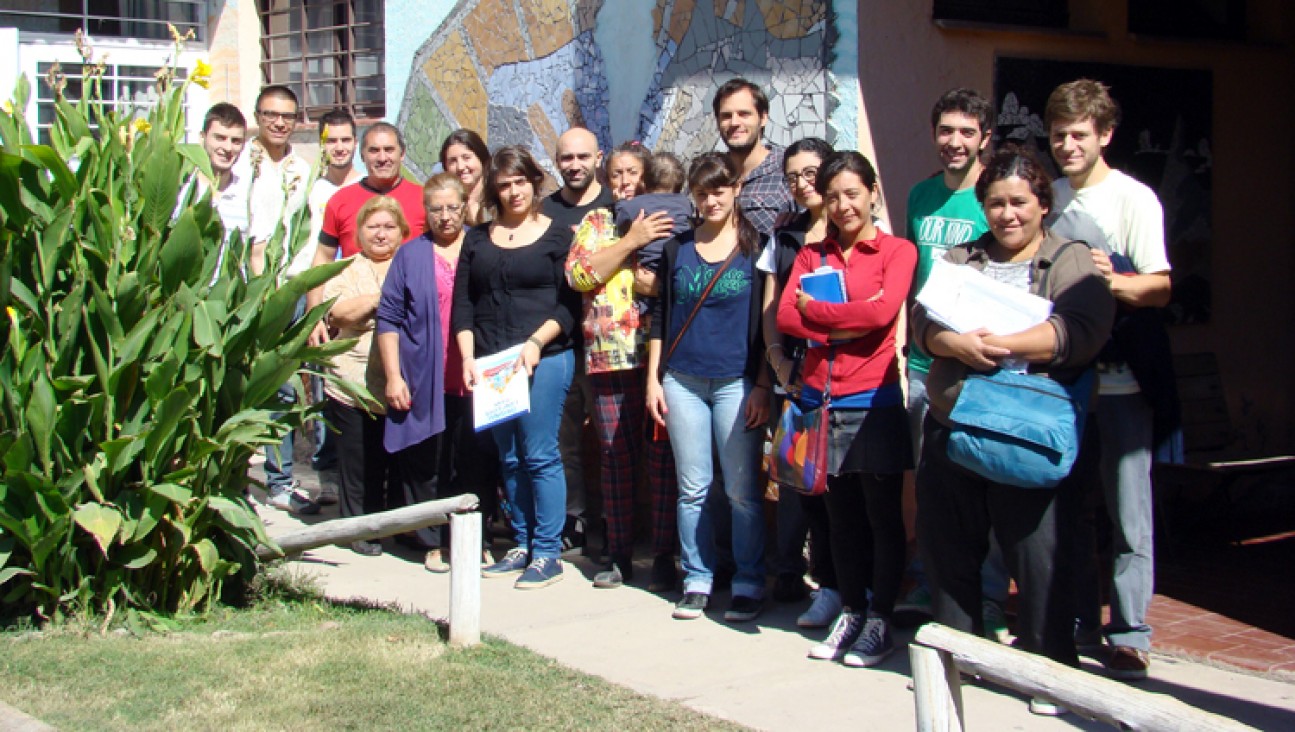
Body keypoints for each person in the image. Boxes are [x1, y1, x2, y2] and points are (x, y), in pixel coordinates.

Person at [912, 146, 1114, 715]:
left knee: (1040, 557)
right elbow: (925, 321)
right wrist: (957, 344)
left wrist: (1000, 343)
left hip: (1027, 436)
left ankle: (1049, 670)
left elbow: (1082, 330)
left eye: (1019, 202)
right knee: (950, 552)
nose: (1008, 214)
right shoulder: (961, 257)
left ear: (1042, 204)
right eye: (996, 203)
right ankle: (961, 656)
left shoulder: (1069, 261)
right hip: (955, 425)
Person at [1046, 79, 1172, 681]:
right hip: (1065, 380)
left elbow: (1161, 285)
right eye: (1058, 135)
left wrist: (1107, 280)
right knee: (1069, 511)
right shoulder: (1047, 196)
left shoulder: (1134, 199)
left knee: (1128, 514)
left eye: (1078, 134)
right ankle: (1077, 621)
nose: (1067, 145)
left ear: (1104, 135)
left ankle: (1130, 632)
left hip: (1122, 383)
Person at [776, 151, 917, 667]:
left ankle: (880, 618)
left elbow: (884, 312)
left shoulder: (897, 251)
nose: (842, 205)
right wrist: (842, 324)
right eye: (833, 195)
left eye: (852, 193)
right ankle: (852, 610)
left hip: (872, 400)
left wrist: (824, 317)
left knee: (882, 519)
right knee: (840, 521)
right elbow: (788, 316)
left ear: (873, 193)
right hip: (820, 402)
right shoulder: (813, 254)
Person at [901, 88, 1013, 643]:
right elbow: (913, 280)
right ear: (933, 134)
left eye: (968, 132)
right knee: (933, 485)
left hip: (984, 366)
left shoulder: (995, 200)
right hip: (926, 362)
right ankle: (930, 581)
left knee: (986, 483)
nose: (955, 142)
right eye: (947, 130)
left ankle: (989, 597)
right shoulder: (920, 196)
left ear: (985, 140)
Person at [647, 153, 772, 623]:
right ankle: (697, 579)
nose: (711, 199)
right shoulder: (677, 247)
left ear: (736, 189)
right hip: (682, 379)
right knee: (693, 487)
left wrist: (762, 383)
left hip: (736, 382)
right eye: (702, 192)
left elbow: (766, 323)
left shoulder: (756, 245)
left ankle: (748, 581)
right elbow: (660, 315)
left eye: (719, 189)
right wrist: (654, 379)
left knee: (741, 489)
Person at [453, 146, 581, 590]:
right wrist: (469, 357)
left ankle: (548, 552)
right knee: (508, 457)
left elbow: (569, 306)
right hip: (493, 362)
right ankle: (522, 543)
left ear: (534, 182)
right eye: (504, 185)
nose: (513, 191)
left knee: (540, 454)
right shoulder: (477, 238)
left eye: (519, 181)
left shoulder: (559, 235)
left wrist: (534, 342)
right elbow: (463, 304)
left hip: (543, 357)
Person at [565, 141, 679, 589]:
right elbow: (579, 275)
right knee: (615, 455)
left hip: (661, 356)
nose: (625, 181)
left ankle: (666, 555)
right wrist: (631, 242)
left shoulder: (668, 215)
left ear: (647, 177)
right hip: (610, 356)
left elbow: (674, 275)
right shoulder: (599, 221)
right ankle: (618, 554)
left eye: (633, 173)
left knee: (663, 457)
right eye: (616, 174)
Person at [378, 174, 498, 572]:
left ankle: (474, 539)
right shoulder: (411, 255)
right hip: (425, 376)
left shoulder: (481, 246)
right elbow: (389, 318)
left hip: (475, 376)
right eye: (436, 209)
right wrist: (393, 376)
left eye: (452, 207)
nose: (445, 217)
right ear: (425, 212)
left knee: (475, 462)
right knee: (428, 463)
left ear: (465, 206)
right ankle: (433, 540)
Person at [759, 137, 840, 623]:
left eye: (811, 173)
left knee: (836, 481)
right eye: (792, 176)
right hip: (790, 375)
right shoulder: (784, 235)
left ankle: (836, 576)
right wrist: (776, 361)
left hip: (843, 379)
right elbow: (771, 307)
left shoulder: (853, 231)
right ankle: (788, 568)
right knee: (792, 475)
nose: (801, 184)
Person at [234, 86, 315, 514]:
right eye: (270, 114)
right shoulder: (242, 162)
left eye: (287, 115)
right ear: (257, 116)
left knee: (283, 389)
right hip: (246, 293)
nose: (279, 122)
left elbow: (302, 233)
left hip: (289, 291)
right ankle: (231, 478)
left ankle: (279, 481)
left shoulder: (301, 168)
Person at [321, 195, 410, 556]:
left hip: (400, 380)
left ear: (402, 232)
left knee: (394, 461)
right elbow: (340, 314)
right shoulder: (343, 269)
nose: (381, 233)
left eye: (389, 226)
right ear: (359, 232)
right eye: (373, 226)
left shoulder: (410, 264)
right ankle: (359, 529)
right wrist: (381, 298)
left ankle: (399, 526)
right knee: (358, 460)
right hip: (351, 380)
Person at [543, 127, 614, 556]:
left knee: (611, 442)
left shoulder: (617, 207)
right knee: (563, 441)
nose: (574, 165)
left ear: (598, 157)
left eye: (582, 157)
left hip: (606, 346)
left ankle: (612, 522)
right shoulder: (545, 211)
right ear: (556, 160)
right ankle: (576, 518)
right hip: (559, 343)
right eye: (566, 158)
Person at [306, 123, 427, 345]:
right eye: (374, 150)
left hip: (411, 324)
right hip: (354, 325)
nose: (382, 157)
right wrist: (313, 316)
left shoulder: (424, 199)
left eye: (389, 150)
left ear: (402, 153)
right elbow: (323, 259)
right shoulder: (340, 201)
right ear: (362, 155)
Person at [297, 108, 362, 492]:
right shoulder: (312, 191)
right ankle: (325, 470)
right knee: (320, 386)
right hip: (321, 297)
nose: (338, 148)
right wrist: (313, 310)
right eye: (331, 140)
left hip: (358, 299)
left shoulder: (369, 186)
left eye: (344, 140)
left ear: (355, 143)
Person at [712, 77, 793, 237]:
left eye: (744, 114)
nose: (734, 122)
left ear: (763, 118)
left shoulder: (787, 169)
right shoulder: (712, 172)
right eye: (726, 116)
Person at [197, 102, 248, 234]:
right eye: (220, 138)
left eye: (236, 141)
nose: (228, 148)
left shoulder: (248, 193)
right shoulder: (183, 188)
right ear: (202, 138)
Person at [440, 129, 492, 226]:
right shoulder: (443, 206)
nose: (460, 167)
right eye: (453, 161)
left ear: (481, 157)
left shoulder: (497, 200)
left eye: (466, 158)